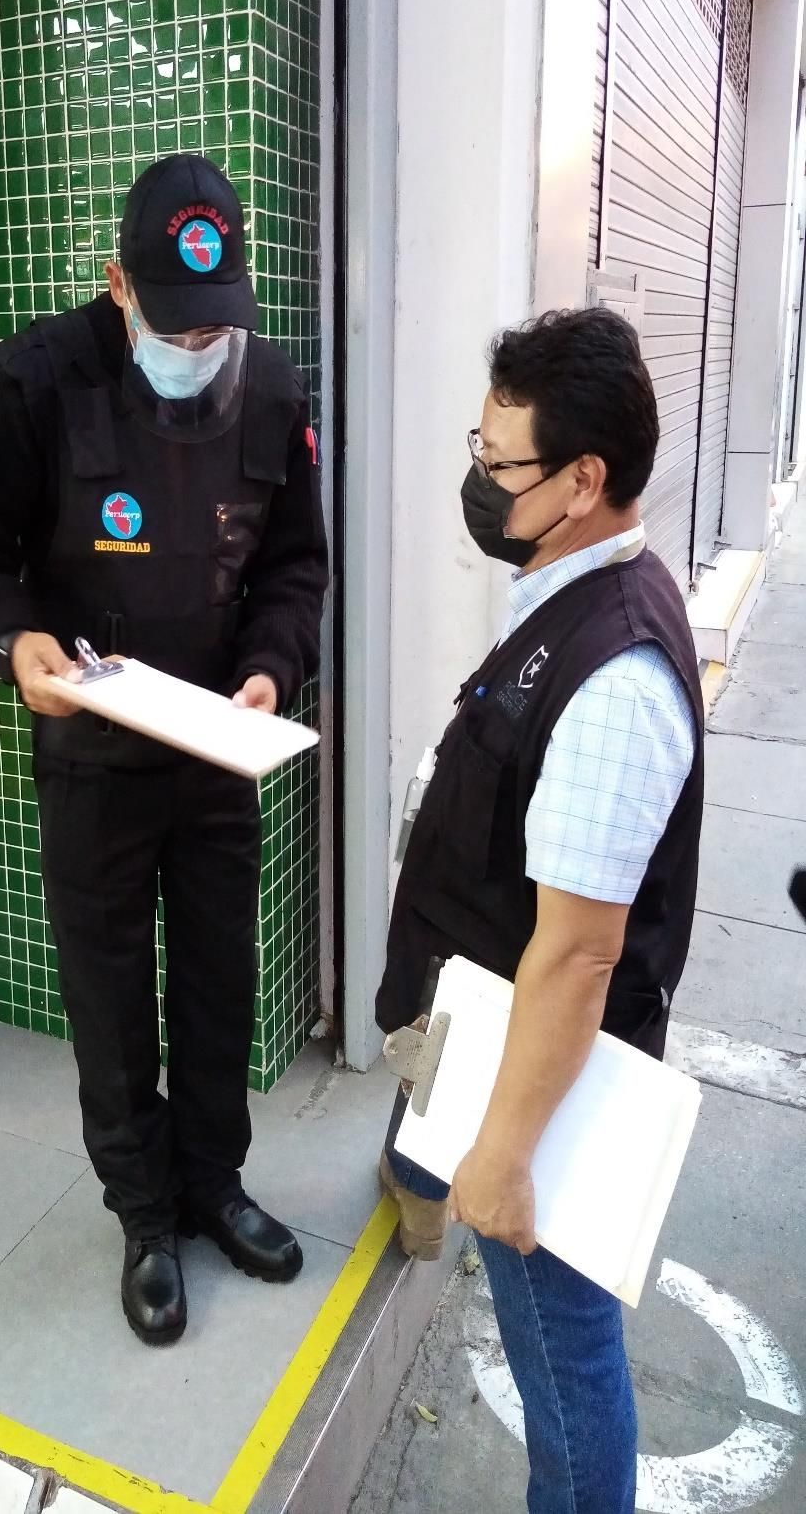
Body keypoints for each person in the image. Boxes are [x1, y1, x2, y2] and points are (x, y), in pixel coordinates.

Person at [0, 154, 328, 1346]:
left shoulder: (271, 391)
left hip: (215, 745)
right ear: (115, 282)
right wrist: (13, 644)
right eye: (174, 324)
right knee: (111, 1001)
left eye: (218, 326)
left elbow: (294, 570)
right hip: (93, 753)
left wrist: (274, 665)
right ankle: (145, 1217)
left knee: (217, 981)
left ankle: (214, 1184)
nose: (198, 347)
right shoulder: (37, 379)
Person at [377, 307, 703, 1513]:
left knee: (562, 1363)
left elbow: (576, 951)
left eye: (497, 462)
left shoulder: (613, 674)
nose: (478, 478)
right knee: (553, 1345)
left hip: (552, 1087)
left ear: (583, 480)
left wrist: (503, 1151)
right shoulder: (568, 596)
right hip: (505, 1047)